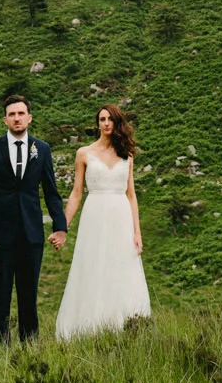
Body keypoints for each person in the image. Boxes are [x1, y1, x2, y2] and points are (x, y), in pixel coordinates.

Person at [0, 94, 68, 342]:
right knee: (0, 296)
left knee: (28, 297)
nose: (17, 118)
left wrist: (61, 228)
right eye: (12, 114)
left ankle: (30, 352)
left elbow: (51, 193)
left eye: (21, 113)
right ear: (5, 119)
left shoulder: (42, 149)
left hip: (31, 235)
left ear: (29, 117)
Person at [54, 103, 151, 340]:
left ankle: (123, 326)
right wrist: (62, 226)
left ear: (117, 123)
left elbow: (131, 194)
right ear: (97, 123)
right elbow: (77, 193)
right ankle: (88, 327)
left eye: (110, 119)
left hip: (120, 216)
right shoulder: (84, 153)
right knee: (93, 265)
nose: (106, 123)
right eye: (102, 119)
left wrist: (137, 232)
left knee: (120, 267)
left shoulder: (126, 154)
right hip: (94, 215)